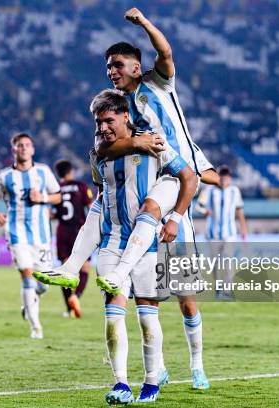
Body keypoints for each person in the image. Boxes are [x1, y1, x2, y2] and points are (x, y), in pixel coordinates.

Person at [34, 8, 215, 389]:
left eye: (117, 64)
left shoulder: (157, 84)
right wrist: (132, 141)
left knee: (186, 296)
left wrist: (145, 23)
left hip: (177, 182)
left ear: (136, 66)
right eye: (108, 68)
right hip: (155, 193)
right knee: (145, 301)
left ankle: (197, 365)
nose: (112, 71)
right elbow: (104, 149)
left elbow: (165, 54)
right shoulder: (121, 111)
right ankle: (152, 370)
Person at [88, 89, 198, 404]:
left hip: (146, 243)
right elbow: (101, 189)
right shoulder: (99, 152)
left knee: (148, 317)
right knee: (112, 314)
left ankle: (151, 382)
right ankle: (120, 384)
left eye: (108, 120)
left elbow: (189, 178)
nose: (103, 128)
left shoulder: (154, 145)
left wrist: (175, 217)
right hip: (112, 241)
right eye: (98, 123)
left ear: (125, 116)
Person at [0, 133, 61, 339]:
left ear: (33, 149)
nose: (24, 148)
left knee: (44, 282)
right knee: (27, 275)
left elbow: (58, 196)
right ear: (14, 150)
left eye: (27, 145)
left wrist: (42, 197)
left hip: (41, 235)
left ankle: (29, 303)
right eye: (20, 145)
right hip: (16, 232)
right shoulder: (4, 176)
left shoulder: (43, 172)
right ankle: (36, 328)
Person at [196, 165, 248, 298]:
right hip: (213, 234)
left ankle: (227, 289)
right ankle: (218, 286)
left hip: (229, 233)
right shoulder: (209, 190)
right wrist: (205, 211)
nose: (225, 179)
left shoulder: (234, 191)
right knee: (214, 263)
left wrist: (243, 228)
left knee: (228, 261)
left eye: (227, 176)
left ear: (230, 178)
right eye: (222, 176)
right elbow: (198, 206)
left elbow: (239, 210)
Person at [53, 159, 94, 318]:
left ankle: (69, 309)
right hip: (79, 231)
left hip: (62, 231)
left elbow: (53, 212)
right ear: (71, 171)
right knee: (84, 268)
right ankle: (75, 297)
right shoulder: (81, 186)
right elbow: (91, 208)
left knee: (65, 270)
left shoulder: (56, 189)